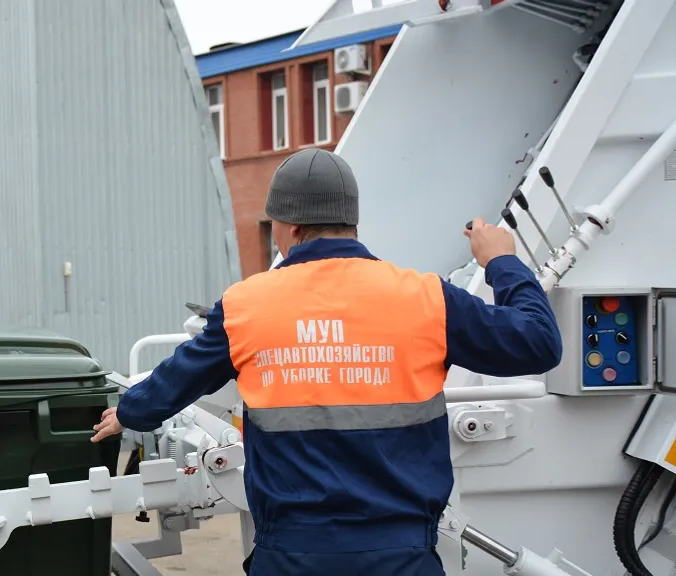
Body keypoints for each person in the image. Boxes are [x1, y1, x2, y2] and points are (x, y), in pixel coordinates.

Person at [91, 148, 563, 575]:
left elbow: (176, 380)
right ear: (351, 224)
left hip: (292, 558)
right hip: (402, 558)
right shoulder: (426, 297)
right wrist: (500, 261)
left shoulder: (246, 305)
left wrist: (128, 412)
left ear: (291, 228)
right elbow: (539, 343)